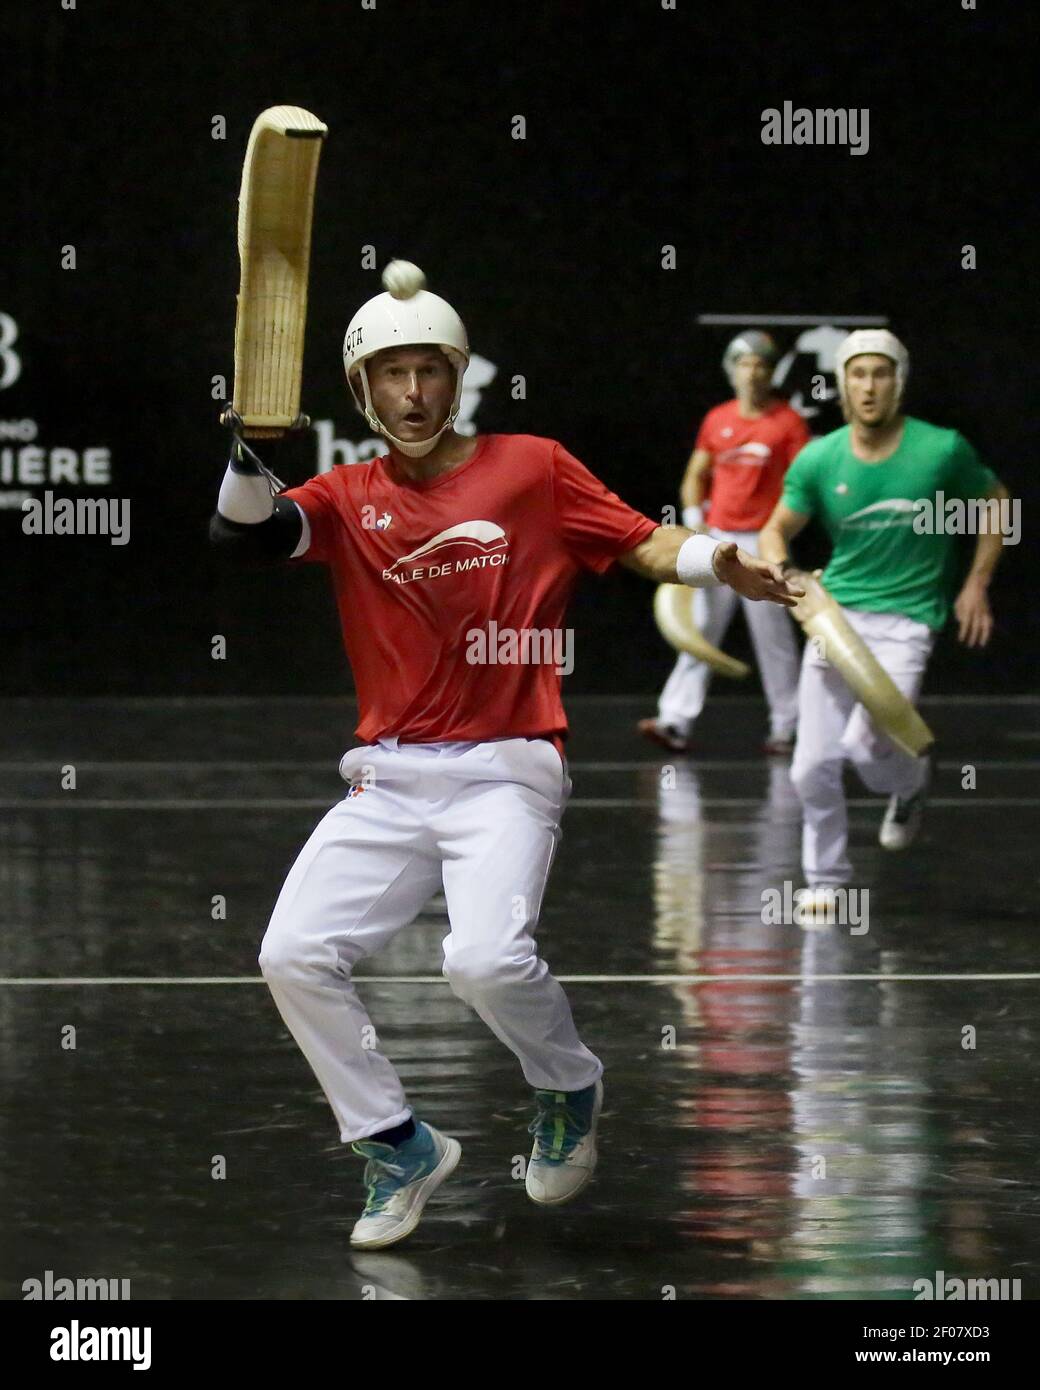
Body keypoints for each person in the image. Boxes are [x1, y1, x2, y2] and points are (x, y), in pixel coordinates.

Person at [209, 262, 799, 1249]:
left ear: (459, 374)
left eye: (428, 372)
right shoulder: (348, 495)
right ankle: (395, 1142)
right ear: (361, 392)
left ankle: (567, 1084)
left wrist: (712, 558)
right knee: (290, 953)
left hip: (507, 766)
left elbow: (640, 541)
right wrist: (244, 449)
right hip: (387, 774)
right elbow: (245, 539)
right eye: (388, 376)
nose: (410, 395)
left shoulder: (531, 466)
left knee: (481, 957)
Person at [758, 329, 1009, 909]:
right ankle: (826, 881)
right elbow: (776, 529)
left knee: (869, 747)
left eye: (881, 373)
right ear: (842, 384)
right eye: (858, 374)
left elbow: (997, 501)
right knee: (811, 765)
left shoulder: (942, 449)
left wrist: (976, 581)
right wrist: (787, 574)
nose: (869, 386)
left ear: (899, 382)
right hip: (835, 615)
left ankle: (910, 782)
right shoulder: (820, 457)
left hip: (909, 618)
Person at [639, 330, 809, 755]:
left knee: (775, 639)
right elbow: (696, 474)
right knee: (699, 631)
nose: (752, 373)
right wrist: (697, 522)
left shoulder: (788, 423)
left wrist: (779, 534)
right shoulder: (718, 419)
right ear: (731, 371)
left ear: (771, 373)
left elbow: (804, 484)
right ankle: (674, 721)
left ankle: (786, 728)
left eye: (760, 365)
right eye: (744, 364)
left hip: (762, 543)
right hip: (717, 542)